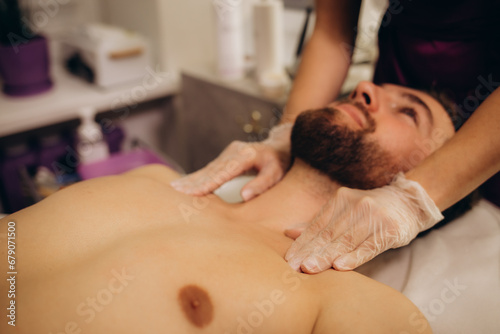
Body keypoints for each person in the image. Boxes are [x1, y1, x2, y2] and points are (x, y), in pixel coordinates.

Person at [0, 82, 454, 334]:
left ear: (427, 191)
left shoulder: (356, 306)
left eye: (409, 112)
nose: (365, 88)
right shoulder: (160, 181)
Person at [171, 0, 500, 273]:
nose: (363, 88)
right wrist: (287, 136)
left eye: (408, 113)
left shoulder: (339, 304)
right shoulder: (154, 185)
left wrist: (416, 199)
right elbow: (332, 34)